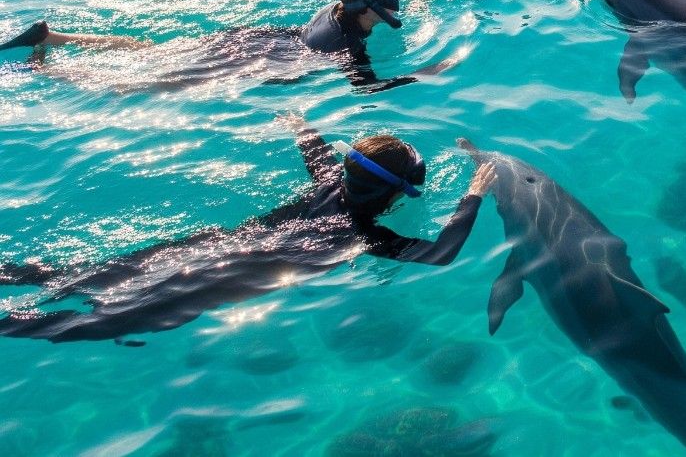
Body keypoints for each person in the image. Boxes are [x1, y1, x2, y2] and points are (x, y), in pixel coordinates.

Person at [0, 122, 496, 343]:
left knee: (81, 275)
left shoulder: (328, 189)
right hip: (226, 280)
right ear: (395, 198)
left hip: (213, 246)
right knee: (89, 324)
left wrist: (301, 125)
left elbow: (319, 159)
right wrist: (473, 193)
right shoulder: (367, 235)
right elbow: (441, 254)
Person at [0, 0, 453, 93]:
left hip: (256, 36)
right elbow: (366, 92)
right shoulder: (352, 43)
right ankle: (46, 70)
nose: (398, 1)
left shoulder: (342, 11)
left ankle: (53, 36)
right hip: (260, 57)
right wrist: (421, 74)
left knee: (145, 48)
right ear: (370, 7)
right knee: (142, 84)